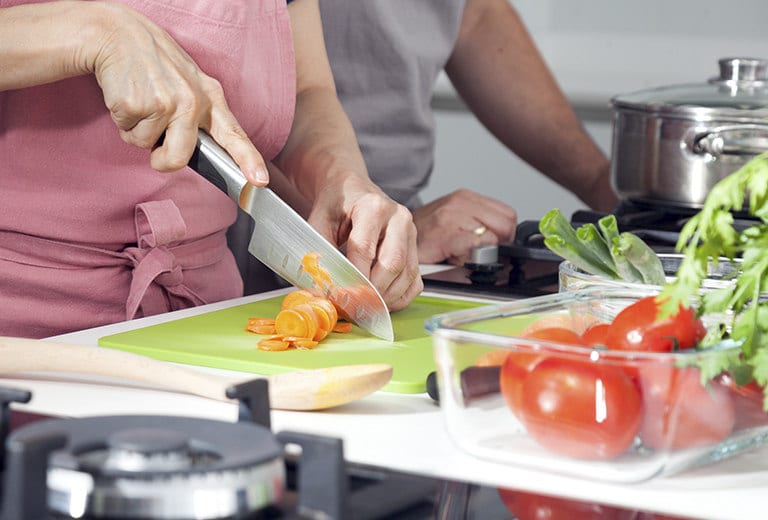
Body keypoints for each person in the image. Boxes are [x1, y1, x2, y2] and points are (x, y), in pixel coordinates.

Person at [0, 0, 422, 339]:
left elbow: (306, 92)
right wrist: (95, 30)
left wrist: (341, 180)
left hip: (202, 320)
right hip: (22, 334)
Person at [316, 0, 619, 265]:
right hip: (304, 245)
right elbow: (299, 95)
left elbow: (472, 14)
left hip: (394, 234)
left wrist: (601, 182)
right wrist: (363, 235)